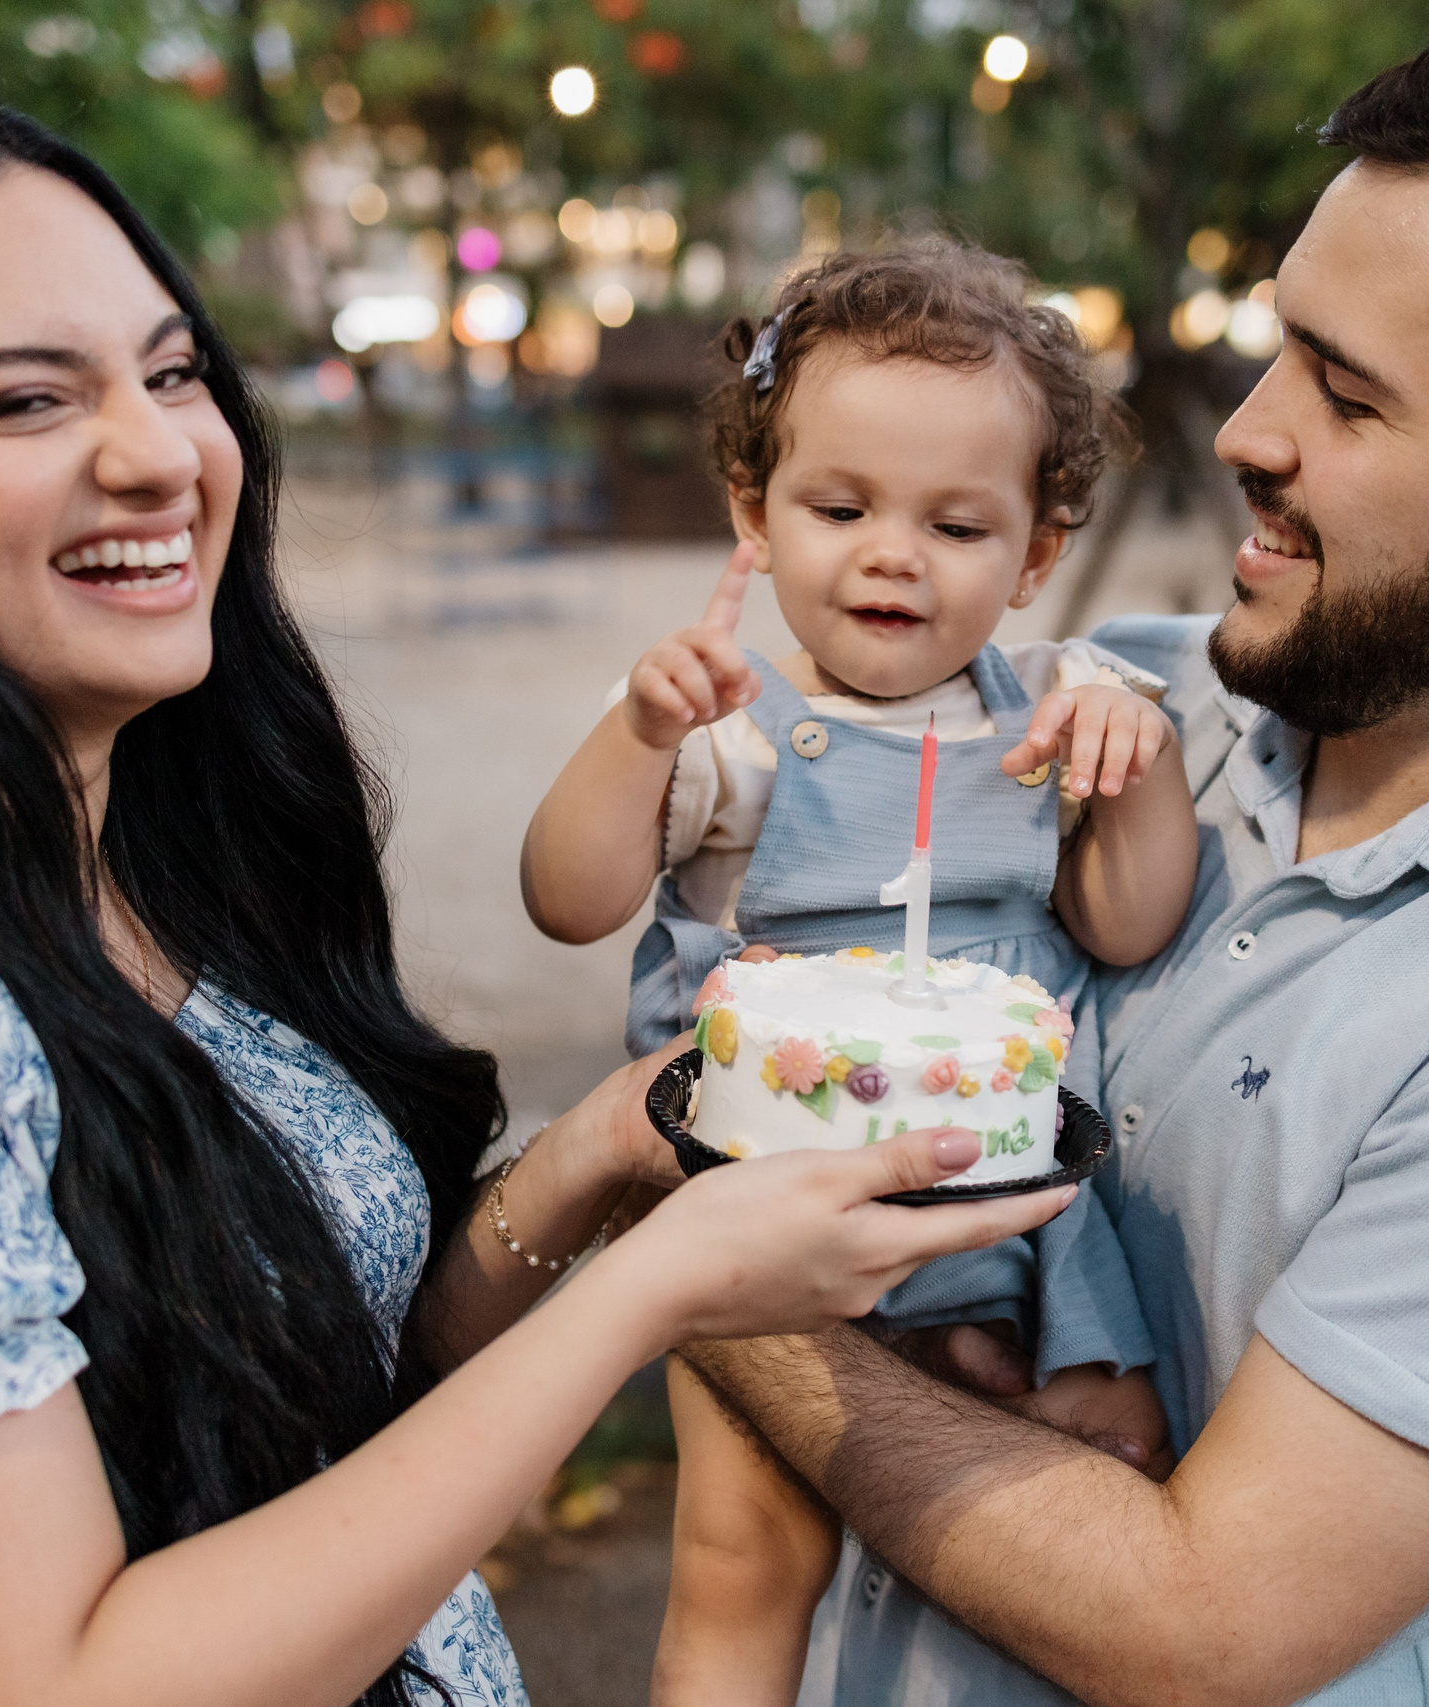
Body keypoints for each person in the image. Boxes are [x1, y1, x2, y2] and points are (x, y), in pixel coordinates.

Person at [0, 97, 1079, 1707]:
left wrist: (614, 1146)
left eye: (174, 372)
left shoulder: (179, 869)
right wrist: (653, 1288)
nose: (159, 454)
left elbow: (342, 1386)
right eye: (30, 399)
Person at [680, 21, 1429, 1706]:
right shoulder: (1119, 719)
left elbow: (1198, 1628)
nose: (1244, 429)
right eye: (1275, 350)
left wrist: (696, 1251)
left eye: (1345, 389)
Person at [518, 245, 1191, 1701]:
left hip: (1011, 1211)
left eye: (957, 524)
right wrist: (638, 740)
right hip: (766, 1211)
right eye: (842, 507)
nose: (894, 552)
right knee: (744, 1559)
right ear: (756, 514)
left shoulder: (1062, 715)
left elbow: (1131, 926)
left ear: (1035, 553)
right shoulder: (736, 746)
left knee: (1038, 1530)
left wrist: (1139, 776)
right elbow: (567, 903)